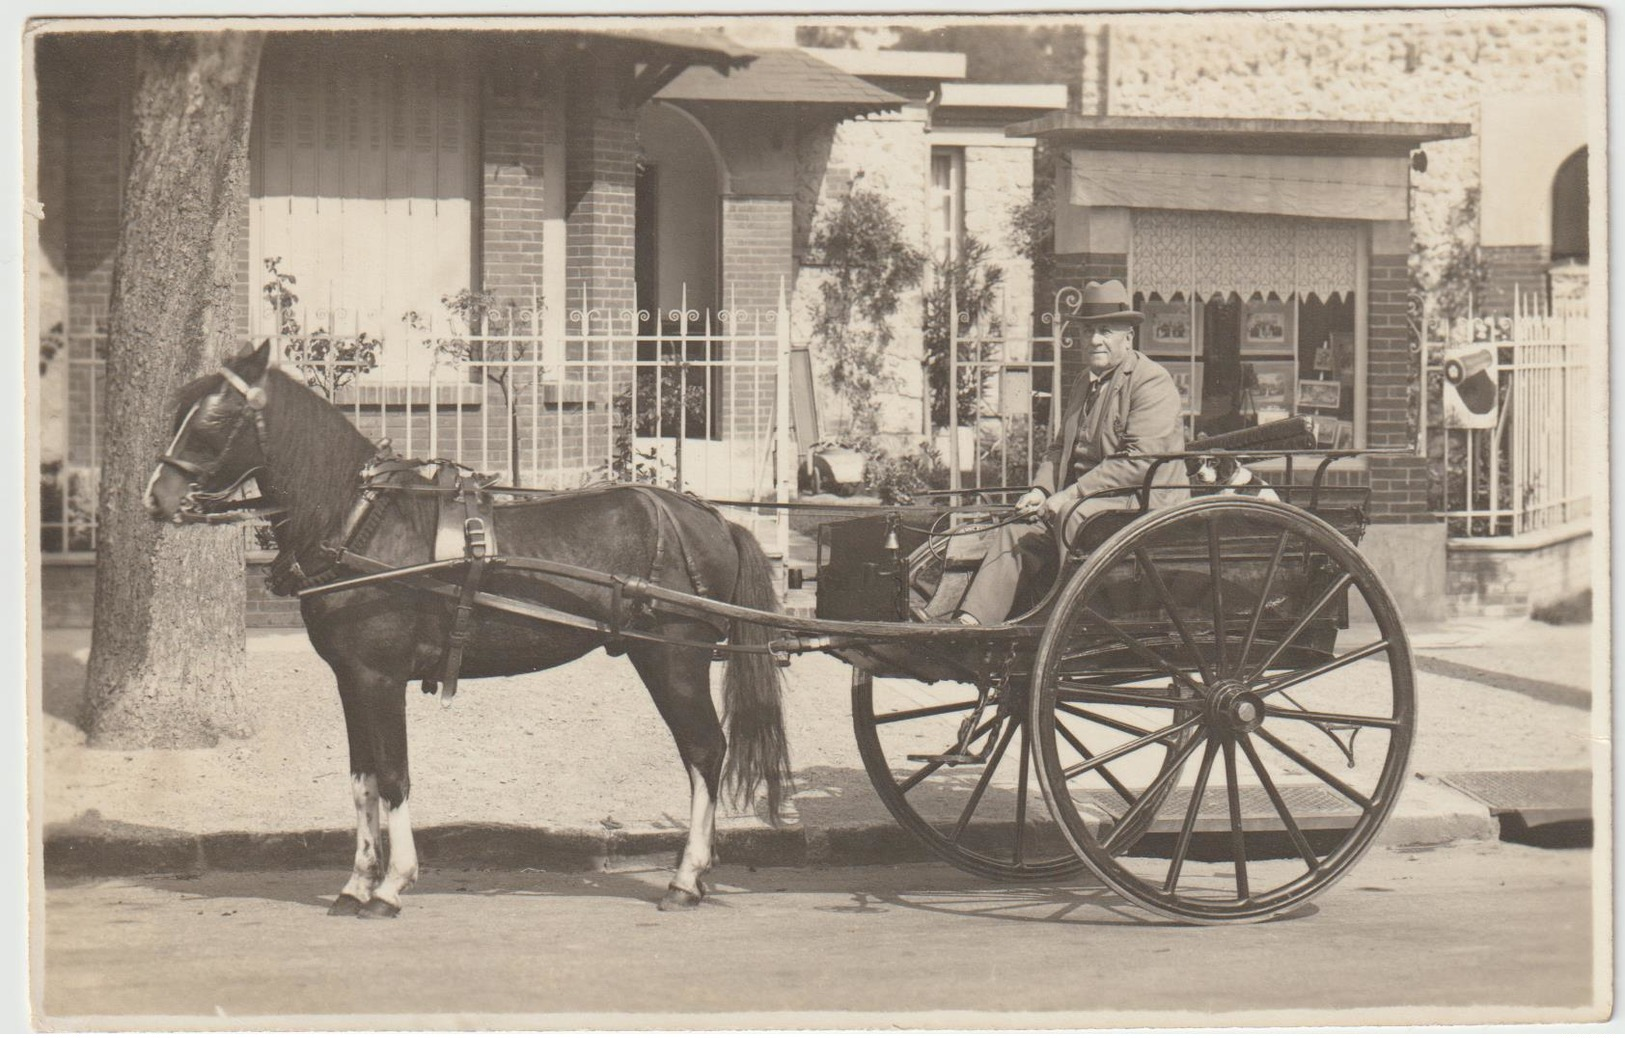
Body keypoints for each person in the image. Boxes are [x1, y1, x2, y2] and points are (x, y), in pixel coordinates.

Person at [957, 280, 1187, 625]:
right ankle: (972, 622)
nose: (1095, 340)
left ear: (1128, 336)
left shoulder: (1151, 381)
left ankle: (1065, 622)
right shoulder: (1085, 381)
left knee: (1074, 515)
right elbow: (1058, 448)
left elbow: (1138, 461)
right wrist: (1041, 490)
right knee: (1018, 527)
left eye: (1106, 331)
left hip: (1142, 504)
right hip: (1091, 502)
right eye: (1088, 331)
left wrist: (1070, 495)